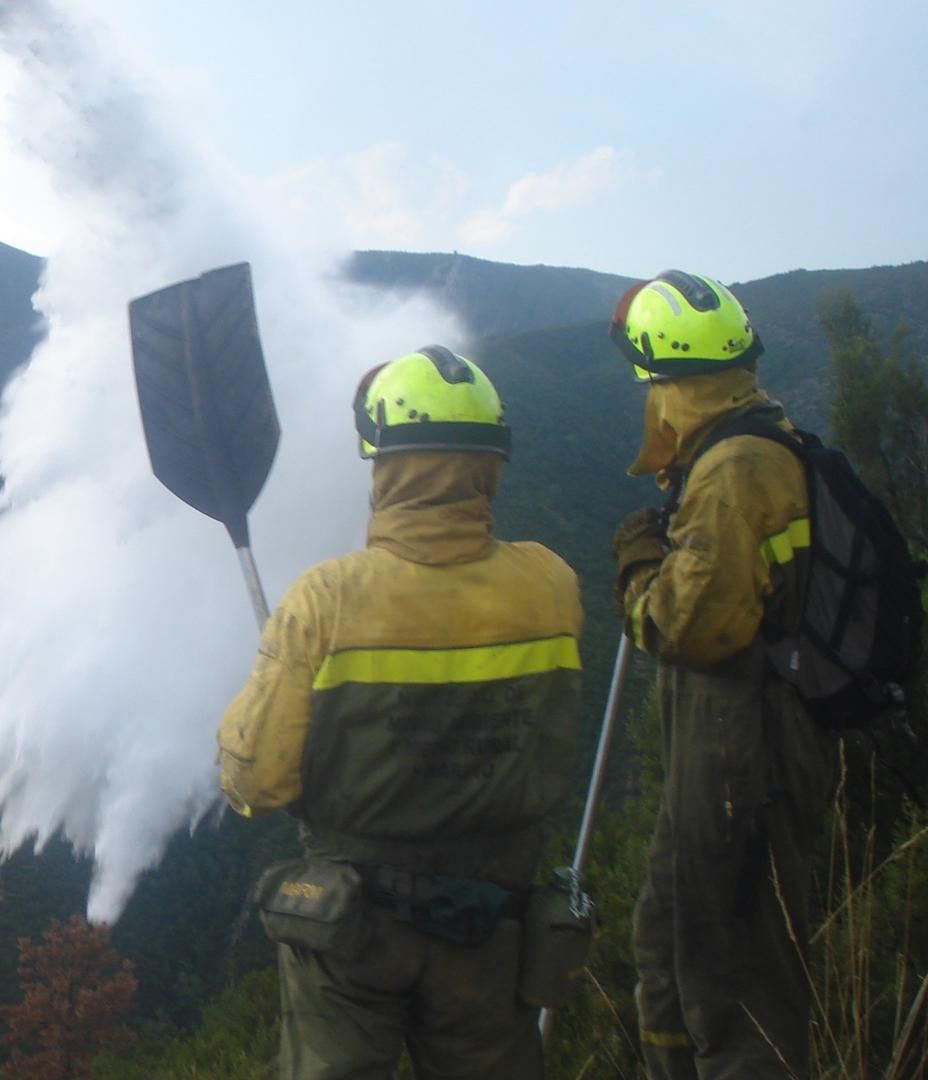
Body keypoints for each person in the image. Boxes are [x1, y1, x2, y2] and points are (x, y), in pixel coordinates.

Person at [218, 346, 583, 1079]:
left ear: (383, 463)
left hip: (354, 937)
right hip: (494, 926)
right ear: (491, 462)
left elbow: (256, 780)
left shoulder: (327, 600)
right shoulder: (551, 585)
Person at [608, 270, 835, 1078]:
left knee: (734, 984)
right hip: (718, 753)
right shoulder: (746, 443)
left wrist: (636, 571)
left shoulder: (736, 470)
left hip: (747, 754)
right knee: (667, 946)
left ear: (672, 384)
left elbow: (686, 624)